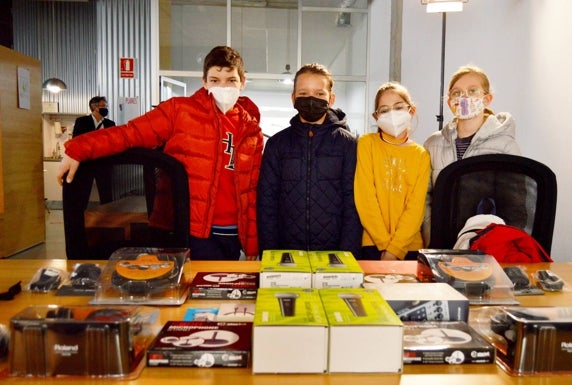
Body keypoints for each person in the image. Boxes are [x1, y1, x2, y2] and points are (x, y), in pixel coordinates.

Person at [57, 46, 264, 261]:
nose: (223, 86)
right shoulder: (179, 111)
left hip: (232, 232)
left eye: (231, 80)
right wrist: (78, 149)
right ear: (204, 82)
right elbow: (130, 134)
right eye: (215, 80)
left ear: (242, 82)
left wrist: (251, 245)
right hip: (190, 229)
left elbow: (250, 192)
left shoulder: (252, 130)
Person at [257, 63, 361, 257]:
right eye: (303, 94)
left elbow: (353, 204)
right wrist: (269, 253)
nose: (311, 99)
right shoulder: (277, 144)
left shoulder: (348, 144)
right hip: (286, 253)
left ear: (331, 99)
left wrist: (347, 255)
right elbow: (266, 203)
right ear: (293, 98)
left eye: (319, 94)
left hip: (334, 253)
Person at [423, 65, 524, 244]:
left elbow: (515, 209)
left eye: (472, 91)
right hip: (441, 245)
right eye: (457, 93)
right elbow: (426, 201)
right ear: (449, 102)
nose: (464, 98)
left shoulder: (505, 145)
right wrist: (433, 238)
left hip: (485, 248)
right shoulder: (433, 144)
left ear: (487, 99)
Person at [354, 82, 431, 260]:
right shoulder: (367, 144)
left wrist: (395, 249)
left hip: (409, 246)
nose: (392, 114)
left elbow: (416, 207)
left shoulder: (421, 155)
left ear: (411, 111)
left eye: (398, 107)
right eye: (384, 110)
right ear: (376, 116)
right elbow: (365, 198)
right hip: (372, 244)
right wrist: (384, 244)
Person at [62, 96, 115, 260]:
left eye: (106, 105)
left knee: (107, 193)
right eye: (102, 106)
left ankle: (108, 219)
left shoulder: (110, 124)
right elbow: (78, 140)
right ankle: (81, 217)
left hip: (104, 165)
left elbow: (113, 142)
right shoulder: (82, 122)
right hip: (85, 166)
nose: (104, 108)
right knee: (83, 194)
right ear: (94, 107)